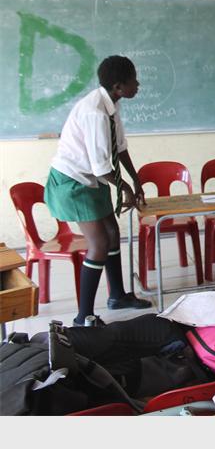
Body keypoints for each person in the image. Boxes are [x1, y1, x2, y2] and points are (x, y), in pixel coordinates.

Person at [44, 55, 150, 327]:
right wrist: (125, 188)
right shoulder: (95, 113)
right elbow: (101, 166)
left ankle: (117, 296)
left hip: (93, 178)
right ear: (118, 86)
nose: (138, 85)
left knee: (112, 232)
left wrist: (136, 180)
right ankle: (84, 317)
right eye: (133, 81)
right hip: (74, 182)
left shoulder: (111, 105)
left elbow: (120, 148)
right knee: (99, 243)